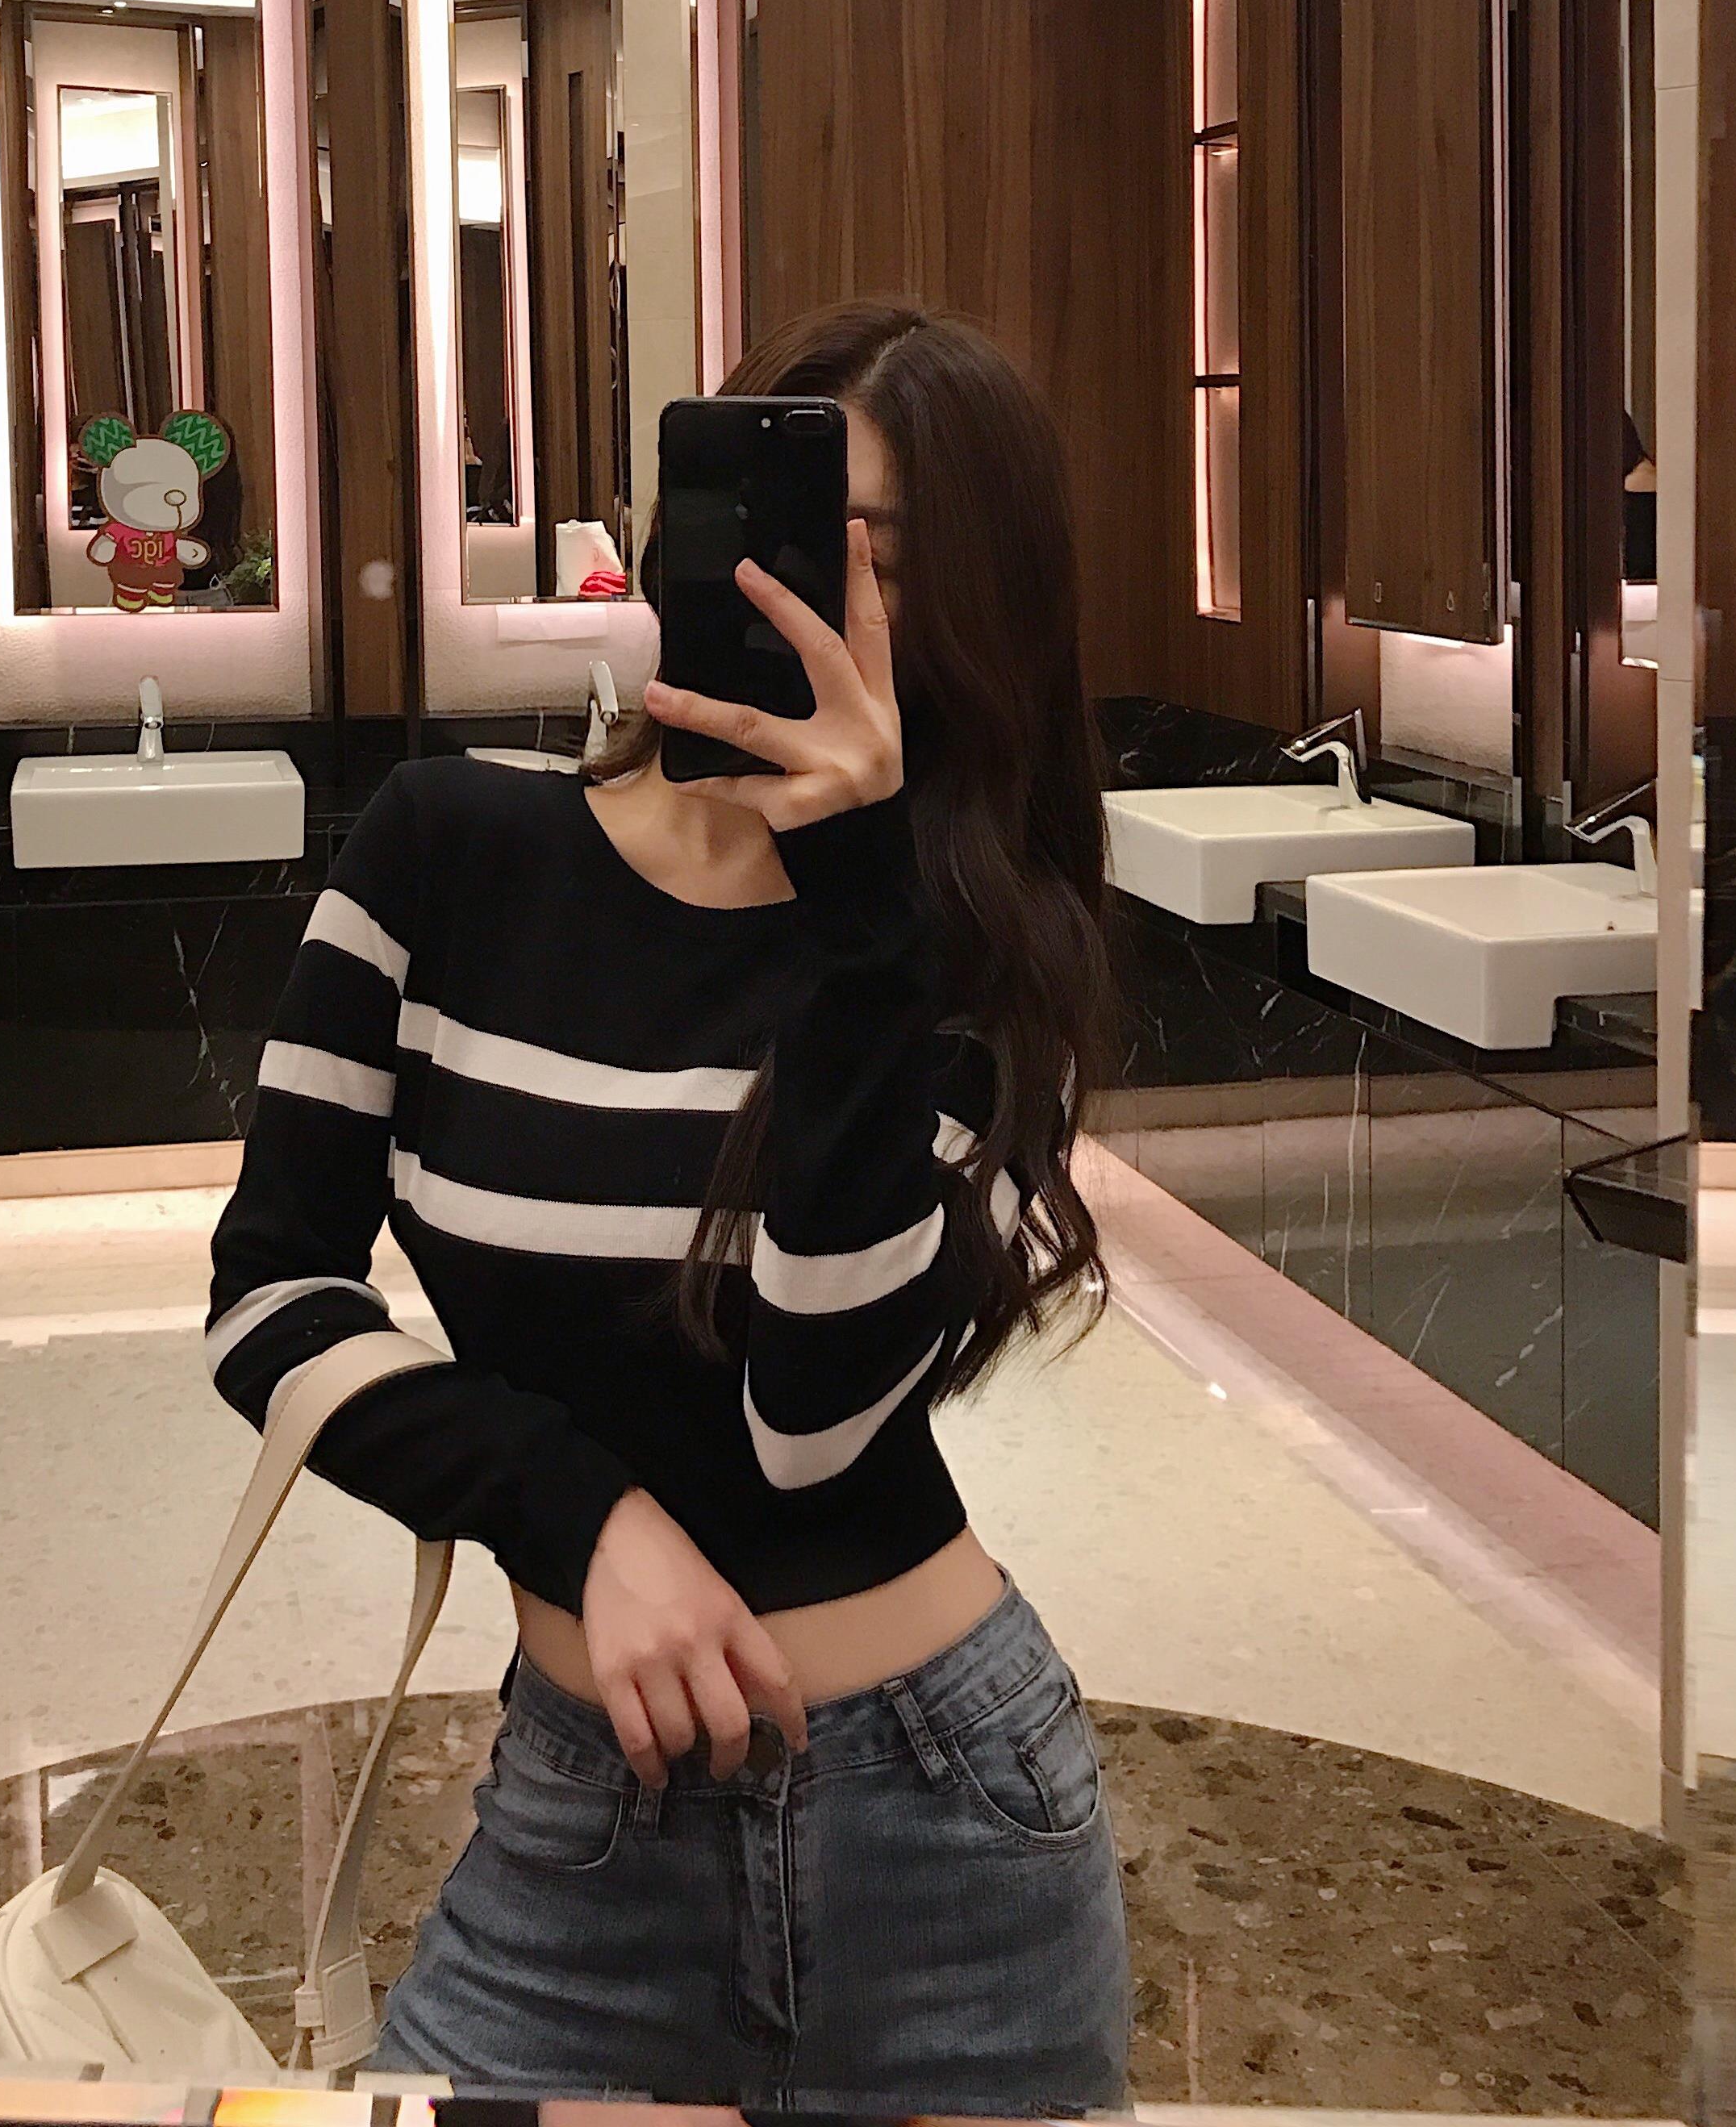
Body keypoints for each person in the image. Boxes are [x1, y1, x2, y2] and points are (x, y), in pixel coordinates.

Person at [206, 301, 1126, 2114]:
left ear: (969, 619)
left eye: (886, 565)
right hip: (581, 1824)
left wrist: (856, 913)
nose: (816, 599)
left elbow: (810, 1423)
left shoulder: (960, 948)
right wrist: (577, 1515)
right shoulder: (443, 849)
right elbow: (270, 1298)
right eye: (789, 535)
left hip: (950, 1827)